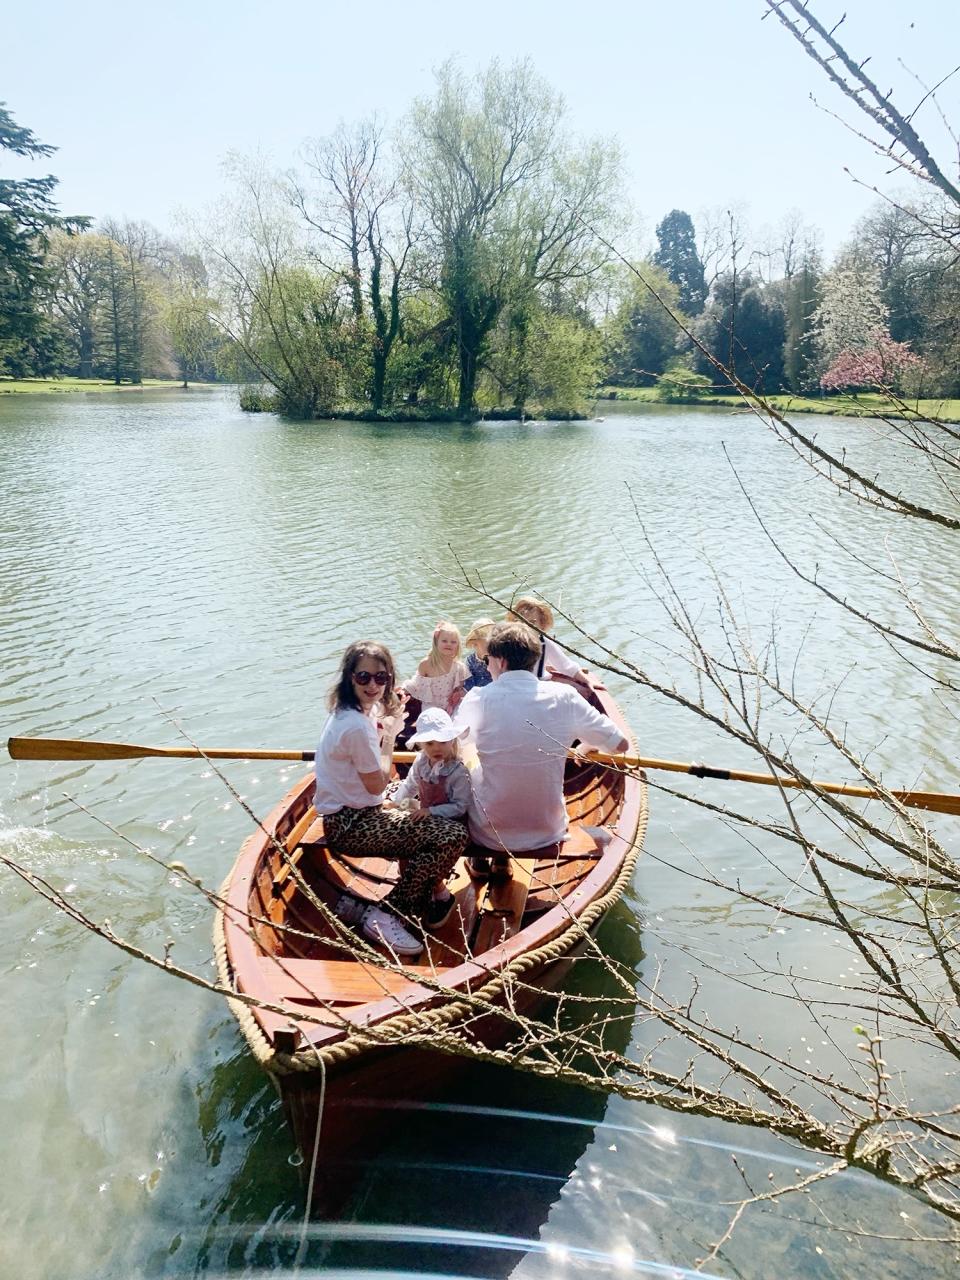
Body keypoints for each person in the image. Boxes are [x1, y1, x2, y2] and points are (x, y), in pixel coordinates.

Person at [313, 641, 469, 956]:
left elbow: (372, 785)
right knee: (454, 835)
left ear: (389, 678)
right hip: (351, 824)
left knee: (431, 831)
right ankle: (387, 913)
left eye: (381, 678)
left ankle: (430, 890)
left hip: (351, 812)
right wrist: (390, 736)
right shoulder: (356, 725)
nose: (373, 685)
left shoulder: (351, 711)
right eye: (363, 677)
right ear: (349, 677)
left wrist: (386, 729)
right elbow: (377, 785)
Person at [454, 621, 629, 873]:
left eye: (488, 659)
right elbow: (620, 744)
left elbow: (452, 745)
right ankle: (502, 862)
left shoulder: (479, 697)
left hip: (490, 832)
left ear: (501, 661)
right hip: (548, 830)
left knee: (467, 753)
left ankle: (486, 860)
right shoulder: (564, 696)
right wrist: (587, 745)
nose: (487, 665)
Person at [387, 707, 472, 928]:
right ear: (422, 745)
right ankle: (415, 887)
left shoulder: (458, 771)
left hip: (450, 822)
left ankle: (441, 894)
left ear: (452, 741)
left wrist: (431, 812)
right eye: (430, 743)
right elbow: (409, 785)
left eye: (443, 742)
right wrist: (396, 800)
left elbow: (461, 807)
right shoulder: (421, 762)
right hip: (426, 818)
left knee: (431, 851)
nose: (437, 748)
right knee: (404, 844)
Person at [508, 596, 585, 682]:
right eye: (522, 622)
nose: (527, 627)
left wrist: (588, 681)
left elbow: (566, 666)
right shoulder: (509, 644)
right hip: (516, 685)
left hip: (540, 684)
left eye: (532, 622)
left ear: (542, 623)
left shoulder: (545, 643)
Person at [403, 621, 469, 713]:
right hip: (431, 706)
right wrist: (402, 690)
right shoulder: (426, 664)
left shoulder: (459, 667)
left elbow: (459, 688)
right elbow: (416, 684)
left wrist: (457, 693)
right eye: (444, 641)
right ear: (436, 642)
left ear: (458, 645)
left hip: (451, 704)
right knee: (431, 719)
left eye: (453, 642)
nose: (449, 644)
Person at [463, 618, 495, 691]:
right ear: (475, 643)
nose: (490, 641)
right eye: (486, 637)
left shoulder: (497, 658)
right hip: (478, 694)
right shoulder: (471, 660)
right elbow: (468, 684)